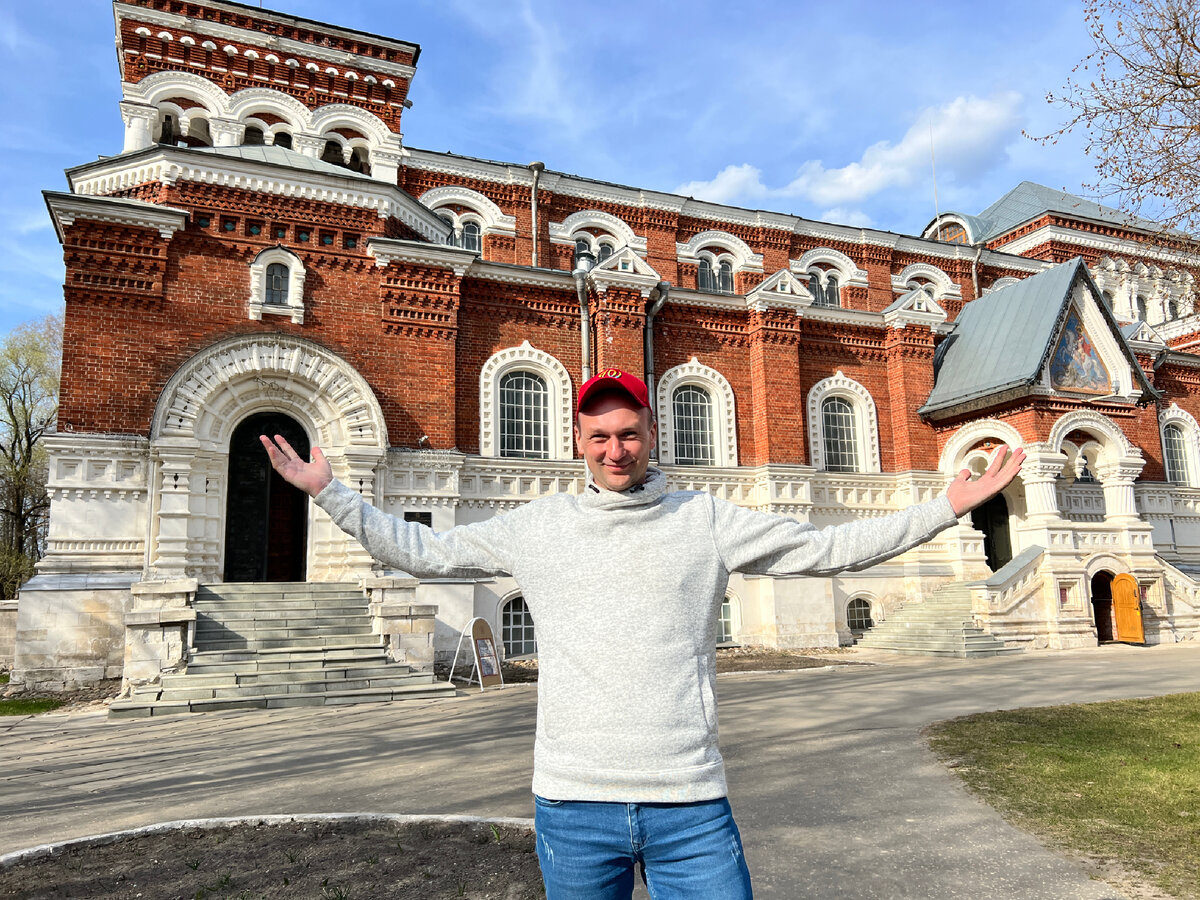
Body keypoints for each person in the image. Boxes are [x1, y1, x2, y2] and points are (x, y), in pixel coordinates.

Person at [261, 368, 1024, 899]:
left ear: (651, 432)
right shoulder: (538, 528)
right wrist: (330, 493)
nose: (614, 450)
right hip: (572, 802)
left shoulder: (706, 521)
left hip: (689, 803)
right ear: (579, 440)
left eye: (627, 433)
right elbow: (420, 552)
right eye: (598, 437)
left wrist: (946, 506)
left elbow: (827, 550)